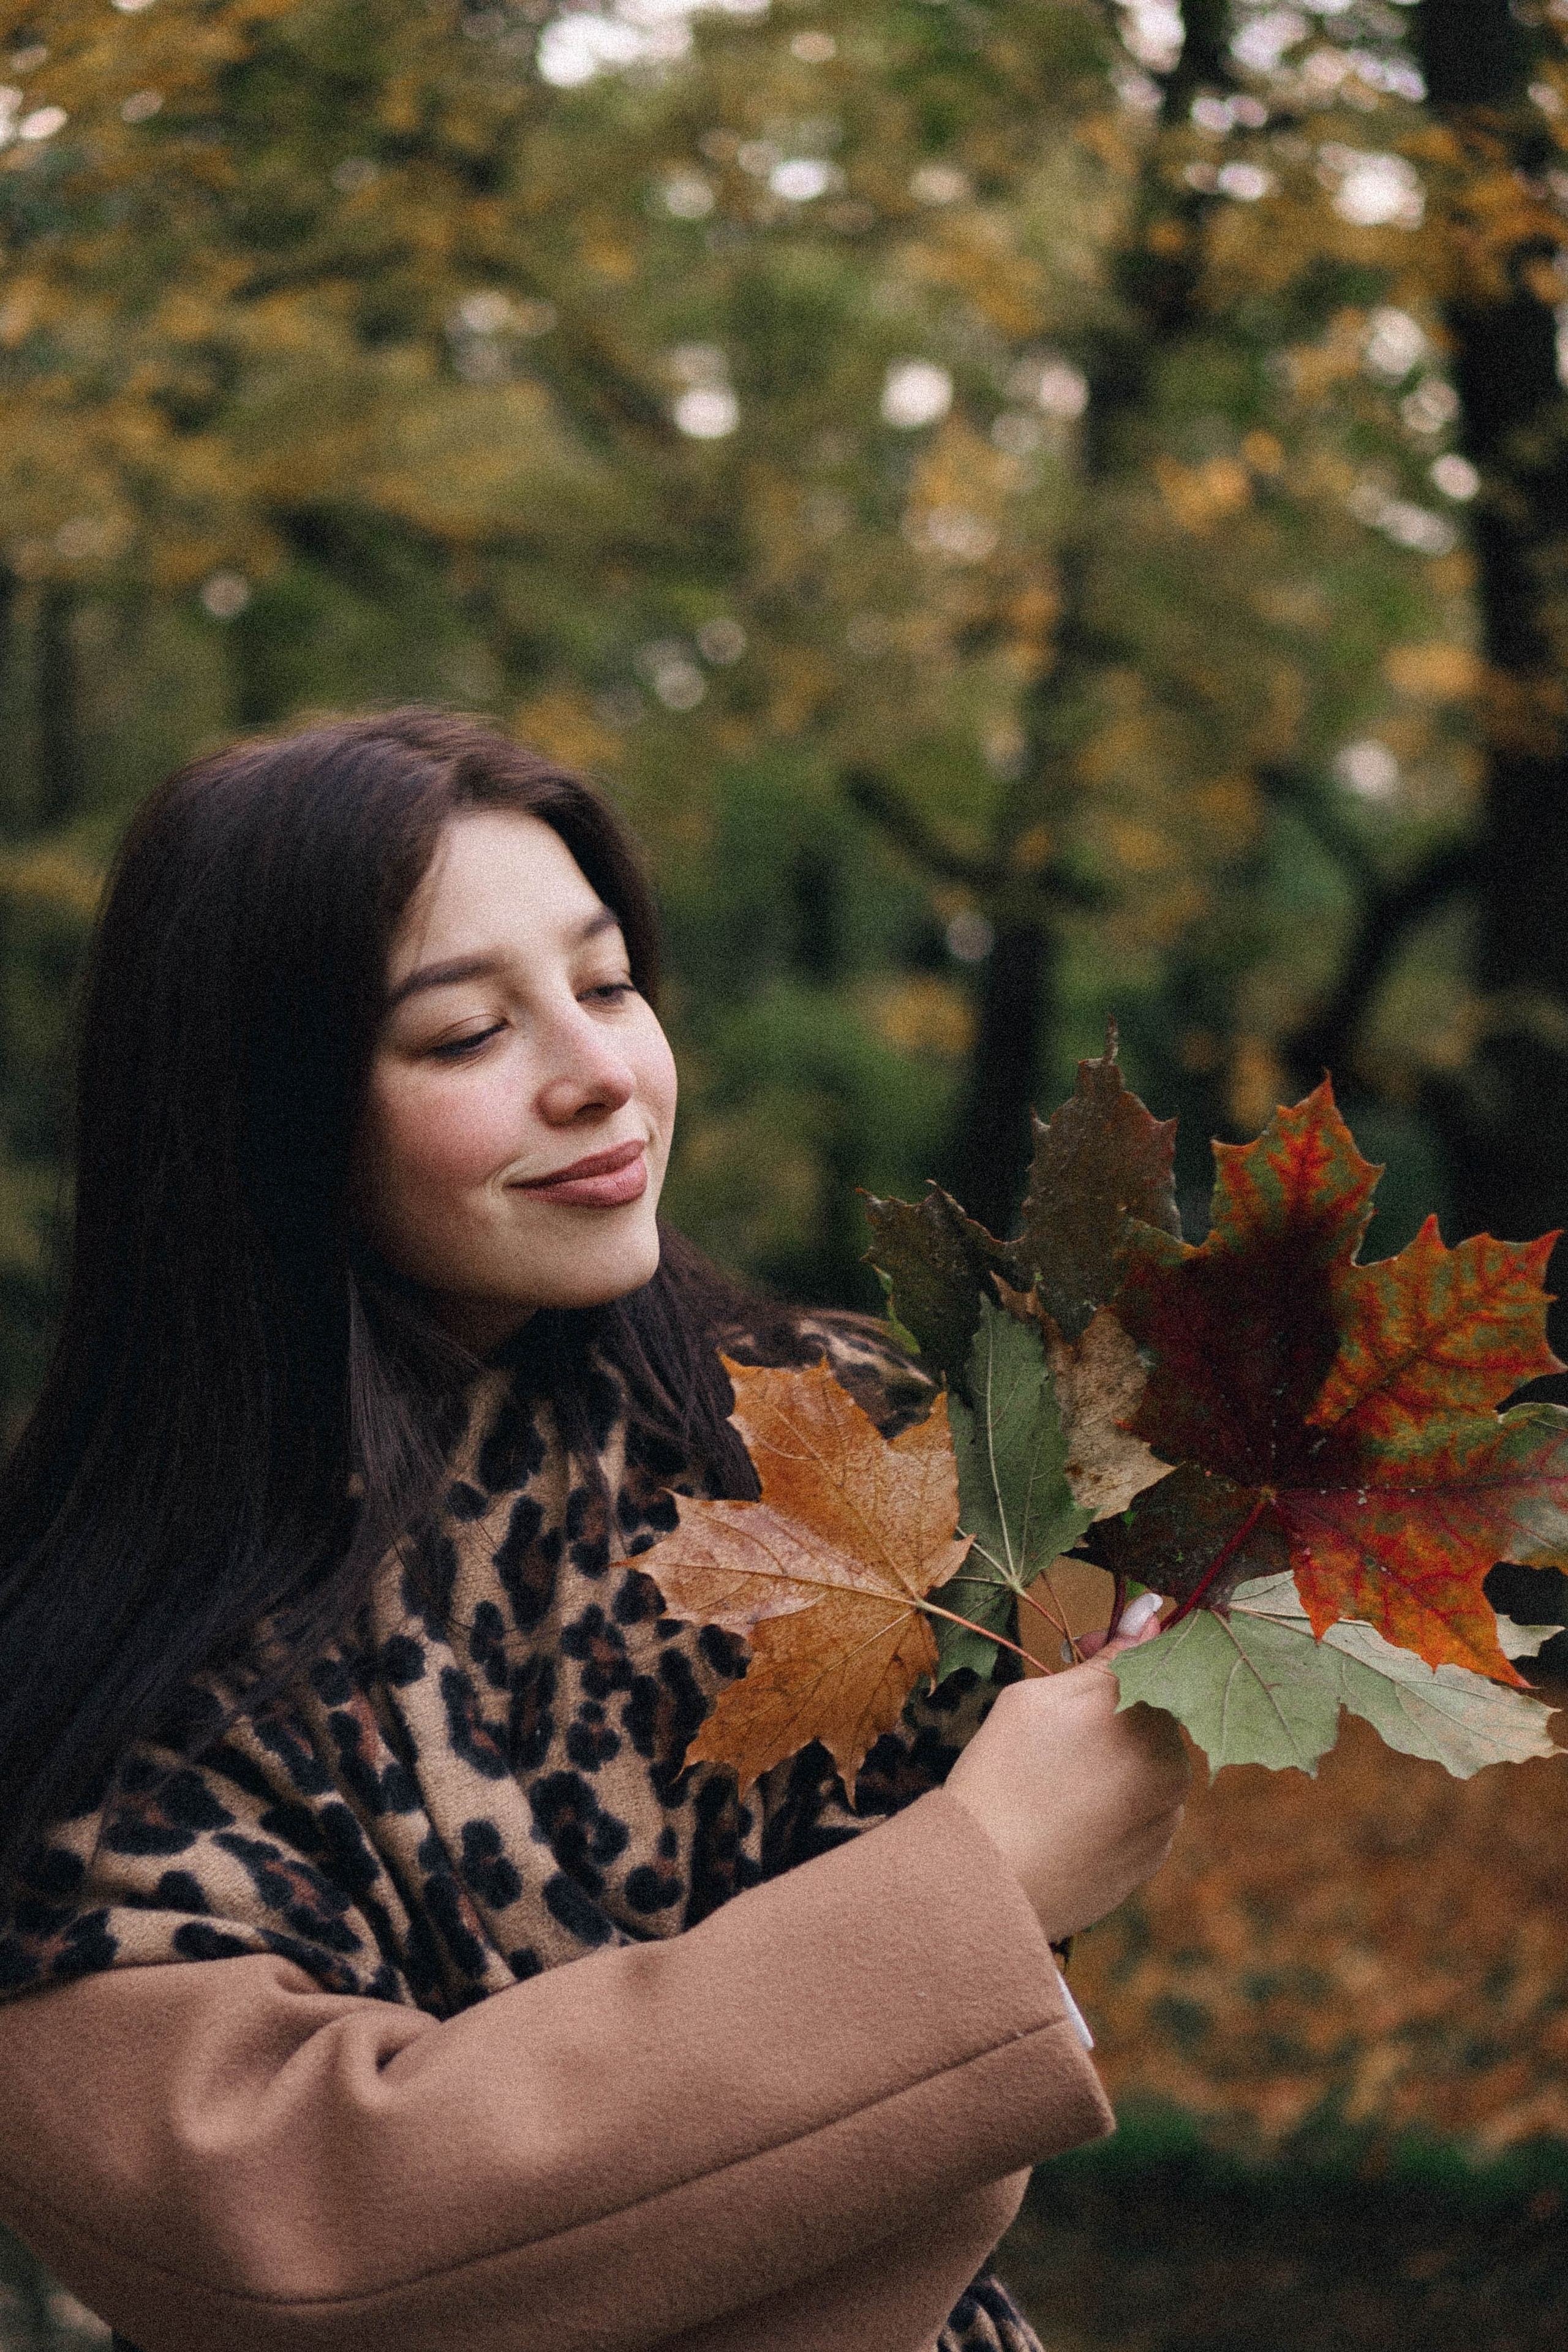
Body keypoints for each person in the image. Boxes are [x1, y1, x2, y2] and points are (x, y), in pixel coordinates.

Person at [0, 709, 1187, 2352]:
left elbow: (939, 2176)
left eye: (610, 982)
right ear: (266, 1117)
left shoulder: (816, 1437)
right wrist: (974, 1891)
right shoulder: (104, 1652)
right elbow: (290, 2250)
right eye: (467, 1034)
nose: (601, 1074)